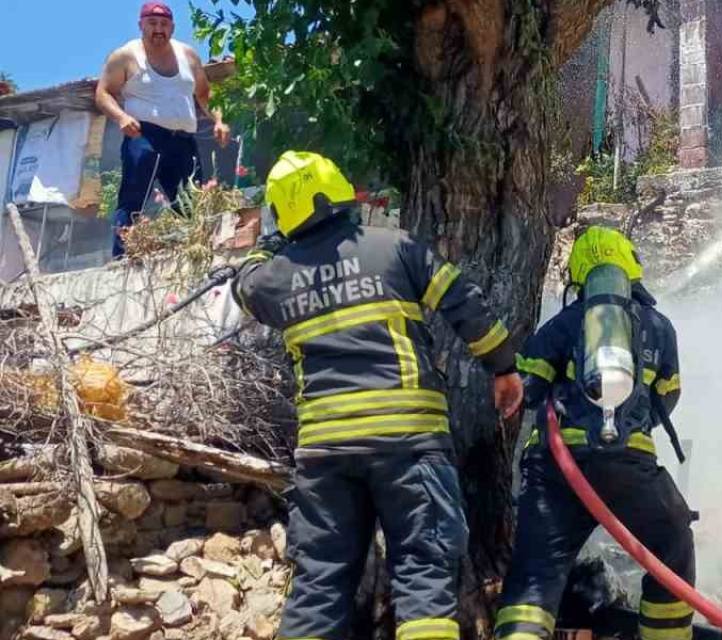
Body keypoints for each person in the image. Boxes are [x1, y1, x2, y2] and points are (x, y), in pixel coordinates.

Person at [232, 151, 524, 640]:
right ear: (340, 192)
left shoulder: (276, 276)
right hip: (409, 444)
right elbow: (464, 304)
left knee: (319, 583)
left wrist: (270, 240)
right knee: (425, 574)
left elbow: (244, 285)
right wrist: (504, 368)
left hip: (326, 454)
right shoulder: (395, 248)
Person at [499, 226, 696, 640]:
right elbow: (669, 395)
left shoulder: (563, 323)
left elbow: (524, 391)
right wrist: (632, 425)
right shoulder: (660, 328)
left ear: (579, 274)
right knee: (671, 541)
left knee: (535, 576)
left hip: (556, 474)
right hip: (630, 469)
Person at [94, 1, 232, 258]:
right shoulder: (125, 56)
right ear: (141, 25)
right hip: (144, 135)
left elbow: (204, 94)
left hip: (182, 139)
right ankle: (121, 259)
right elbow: (102, 94)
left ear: (172, 27)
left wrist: (218, 121)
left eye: (164, 24)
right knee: (134, 199)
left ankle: (197, 253)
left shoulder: (187, 55)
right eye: (152, 23)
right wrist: (121, 117)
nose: (158, 29)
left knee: (191, 202)